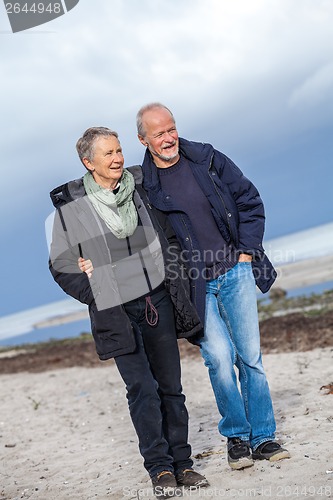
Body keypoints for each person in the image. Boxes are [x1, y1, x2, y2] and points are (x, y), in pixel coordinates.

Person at [48, 127, 208, 498]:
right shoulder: (72, 212)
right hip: (116, 312)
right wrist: (96, 290)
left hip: (158, 300)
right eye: (108, 154)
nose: (118, 158)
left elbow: (169, 238)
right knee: (142, 390)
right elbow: (61, 266)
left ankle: (183, 464)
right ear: (89, 163)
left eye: (119, 150)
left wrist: (174, 274)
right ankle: (160, 469)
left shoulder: (140, 191)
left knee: (171, 387)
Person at [136, 103, 291, 470]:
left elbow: (249, 200)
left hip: (234, 271)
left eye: (171, 128)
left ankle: (264, 437)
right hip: (193, 286)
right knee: (219, 359)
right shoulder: (144, 186)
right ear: (143, 139)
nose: (169, 137)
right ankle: (237, 437)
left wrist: (247, 252)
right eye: (159, 133)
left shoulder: (207, 159)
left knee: (250, 357)